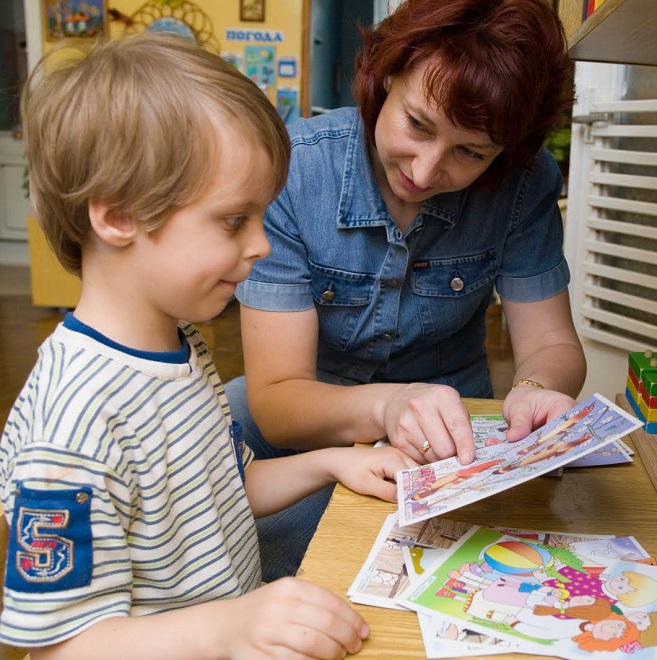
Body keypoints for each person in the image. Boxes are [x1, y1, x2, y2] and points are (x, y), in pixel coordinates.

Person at [0, 32, 418, 659]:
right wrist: (230, 628)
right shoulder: (72, 424)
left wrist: (332, 464)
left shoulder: (179, 346)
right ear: (116, 216)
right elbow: (64, 646)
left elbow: (223, 489)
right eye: (233, 221)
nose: (261, 245)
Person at [227, 0, 587, 580]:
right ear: (387, 71)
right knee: (252, 552)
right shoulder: (298, 168)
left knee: (430, 561)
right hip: (301, 419)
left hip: (444, 436)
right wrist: (387, 406)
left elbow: (552, 345)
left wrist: (534, 390)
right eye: (417, 125)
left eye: (470, 152)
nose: (423, 172)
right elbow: (277, 403)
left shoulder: (524, 183)